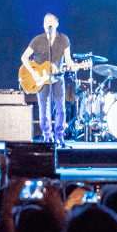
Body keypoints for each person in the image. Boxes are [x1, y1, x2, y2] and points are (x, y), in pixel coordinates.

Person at [21, 13, 88, 147]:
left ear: (56, 24)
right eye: (45, 22)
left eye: (50, 22)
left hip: (58, 78)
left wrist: (75, 66)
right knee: (43, 108)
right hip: (40, 79)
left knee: (60, 108)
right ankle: (47, 137)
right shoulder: (38, 40)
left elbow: (68, 59)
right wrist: (34, 73)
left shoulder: (63, 39)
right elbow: (24, 57)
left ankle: (59, 137)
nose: (47, 24)